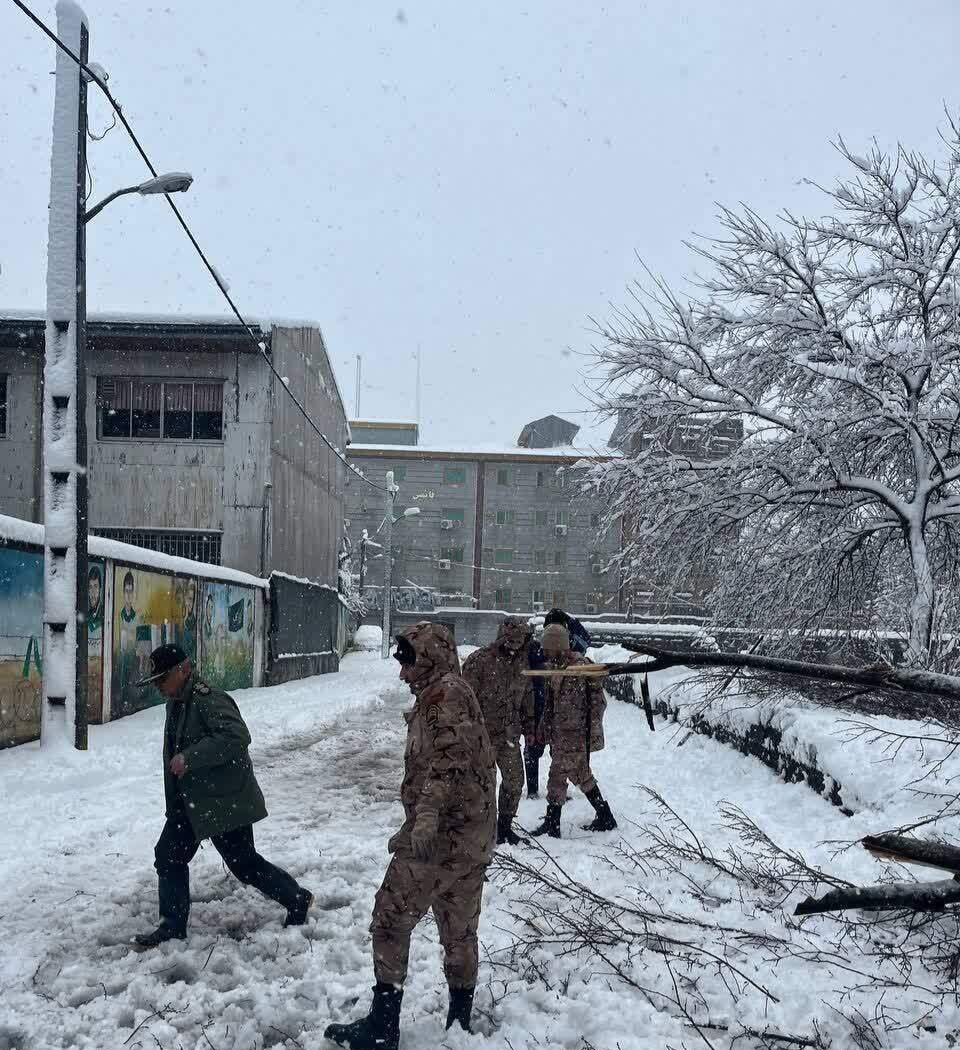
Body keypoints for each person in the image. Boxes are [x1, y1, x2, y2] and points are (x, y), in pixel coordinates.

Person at [324, 622, 496, 1050]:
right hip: (471, 836)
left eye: (408, 663)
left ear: (430, 658)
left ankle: (383, 1028)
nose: (402, 674)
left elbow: (449, 762)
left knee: (389, 918)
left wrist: (426, 819)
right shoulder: (450, 690)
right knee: (459, 930)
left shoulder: (445, 694)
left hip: (440, 837)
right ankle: (459, 1023)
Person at [133, 644, 313, 948]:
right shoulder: (176, 702)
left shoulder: (208, 699)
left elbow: (237, 736)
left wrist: (191, 757)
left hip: (223, 801)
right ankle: (172, 927)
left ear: (183, 670)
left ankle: (297, 898)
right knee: (168, 856)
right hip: (191, 803)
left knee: (244, 864)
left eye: (163, 679)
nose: (159, 687)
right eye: (156, 682)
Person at [530, 623, 617, 839]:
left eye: (548, 648)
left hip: (573, 735)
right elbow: (551, 704)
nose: (545, 652)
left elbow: (585, 706)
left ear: (557, 646)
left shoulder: (578, 669)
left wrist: (579, 733)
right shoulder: (558, 667)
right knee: (581, 774)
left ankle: (552, 824)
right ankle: (605, 816)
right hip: (562, 734)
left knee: (556, 778)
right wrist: (544, 727)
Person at [462, 617, 535, 845]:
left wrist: (530, 725)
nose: (516, 646)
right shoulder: (479, 661)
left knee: (514, 783)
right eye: (512, 641)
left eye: (521, 641)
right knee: (482, 786)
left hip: (509, 736)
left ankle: (504, 828)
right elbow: (464, 700)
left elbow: (527, 699)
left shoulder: (522, 664)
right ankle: (480, 829)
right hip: (482, 738)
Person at [525, 608, 591, 798]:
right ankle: (533, 790)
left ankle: (556, 791)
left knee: (558, 753)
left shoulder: (567, 649)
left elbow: (586, 640)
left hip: (559, 709)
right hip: (540, 705)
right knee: (534, 748)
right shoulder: (539, 649)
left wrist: (567, 620)